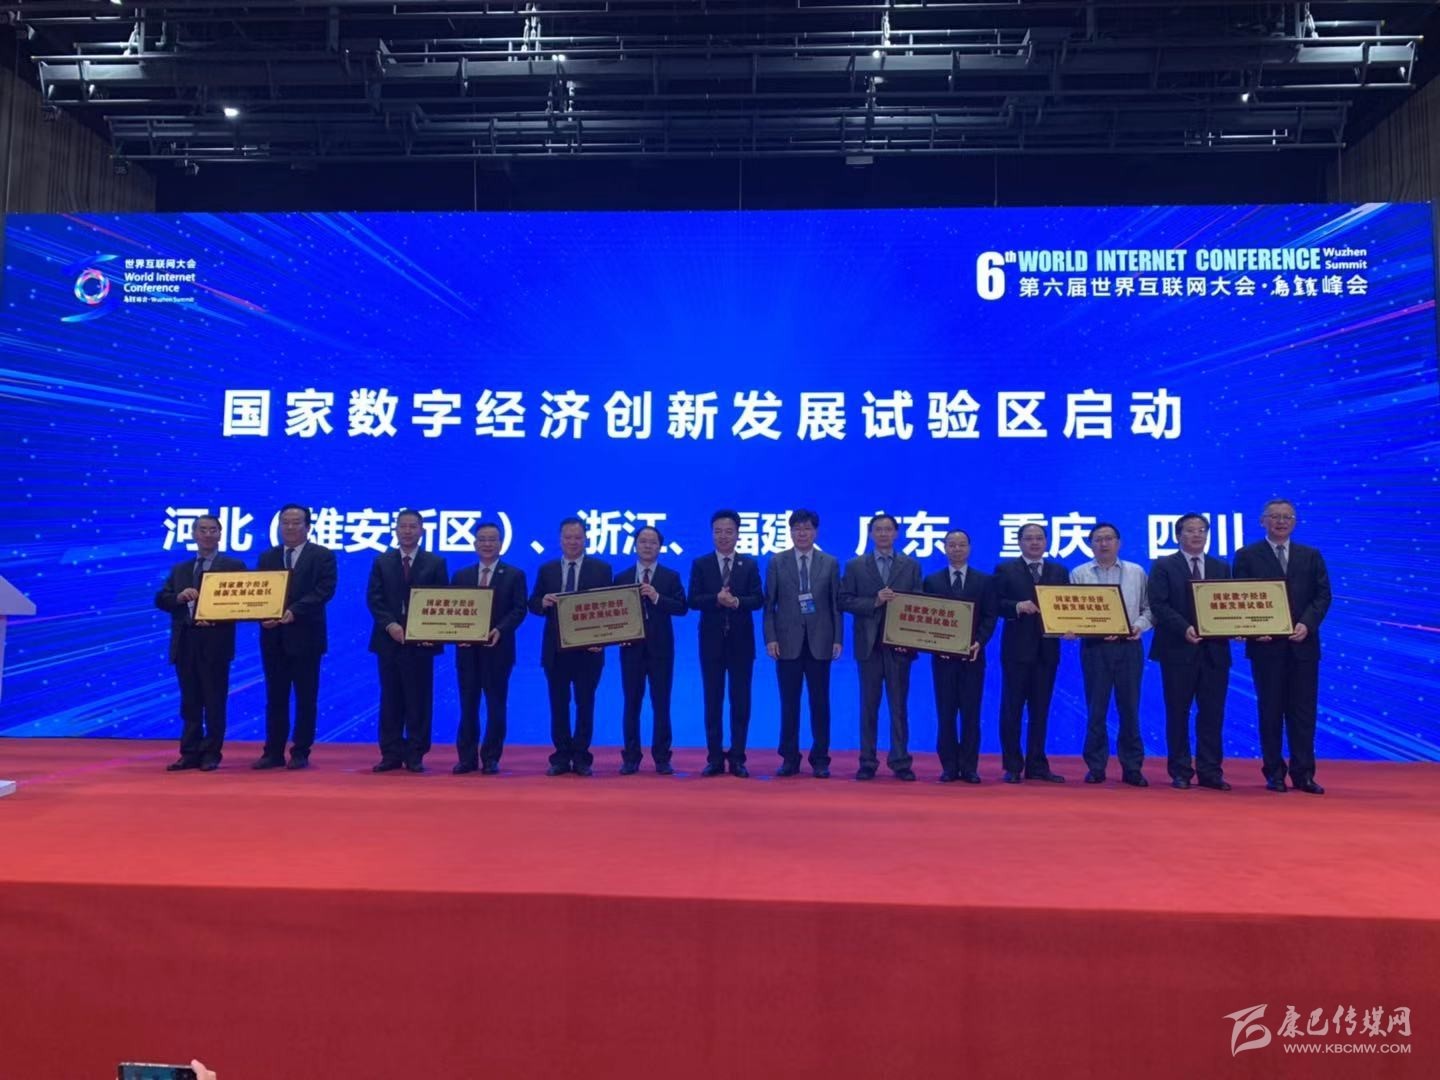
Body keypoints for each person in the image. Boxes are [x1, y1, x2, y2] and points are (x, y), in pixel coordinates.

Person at [1233, 498, 1332, 794]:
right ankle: (1274, 772)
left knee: (1303, 712)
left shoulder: (1310, 555)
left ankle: (1304, 774)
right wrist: (1254, 630)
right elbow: (1240, 596)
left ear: (1295, 522)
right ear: (1262, 521)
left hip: (1303, 646)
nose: (1280, 521)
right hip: (1266, 648)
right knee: (1271, 711)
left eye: (1287, 517)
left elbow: (1323, 596)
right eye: (1274, 516)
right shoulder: (1247, 555)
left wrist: (1307, 624)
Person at [1147, 512, 1235, 791]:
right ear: (1178, 535)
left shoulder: (1221, 567)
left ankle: (1211, 771)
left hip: (1215, 652)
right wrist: (1184, 628)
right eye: (1190, 530)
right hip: (1177, 650)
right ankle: (1180, 770)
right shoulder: (1163, 565)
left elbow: (1229, 605)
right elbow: (1159, 605)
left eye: (1202, 530)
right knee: (1178, 712)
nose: (1197, 535)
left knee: (1212, 714)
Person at [154, 514, 246, 771]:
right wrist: (179, 597)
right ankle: (189, 752)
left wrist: (217, 616)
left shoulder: (233, 566)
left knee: (214, 700)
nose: (207, 534)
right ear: (194, 534)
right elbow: (161, 599)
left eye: (213, 530)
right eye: (202, 530)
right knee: (190, 701)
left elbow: (243, 603)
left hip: (216, 641)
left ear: (220, 534)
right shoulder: (181, 569)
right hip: (186, 642)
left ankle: (211, 753)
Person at [839, 513, 923, 780]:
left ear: (896, 533)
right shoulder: (855, 566)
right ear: (871, 534)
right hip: (869, 645)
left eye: (888, 529)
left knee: (899, 707)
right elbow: (844, 600)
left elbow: (919, 603)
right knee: (869, 706)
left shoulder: (911, 566)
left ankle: (901, 761)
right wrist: (874, 601)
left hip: (900, 646)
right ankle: (867, 761)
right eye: (878, 529)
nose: (884, 534)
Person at [254, 503, 337, 770]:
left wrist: (294, 611)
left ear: (307, 526)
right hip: (273, 637)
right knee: (275, 697)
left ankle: (301, 751)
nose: (290, 527)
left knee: (305, 698)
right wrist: (261, 615)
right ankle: (273, 751)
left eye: (296, 522)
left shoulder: (322, 555)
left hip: (307, 637)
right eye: (285, 522)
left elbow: (324, 590)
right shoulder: (267, 557)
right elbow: (258, 593)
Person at [1068, 522, 1152, 787]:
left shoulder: (1136, 572)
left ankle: (1132, 768)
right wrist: (1074, 628)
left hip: (1129, 646)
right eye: (1098, 539)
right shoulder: (1079, 573)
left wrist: (1138, 626)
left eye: (1109, 538)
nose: (1103, 544)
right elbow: (1071, 612)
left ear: (1119, 542)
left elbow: (1149, 608)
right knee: (1096, 709)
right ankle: (1096, 766)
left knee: (1130, 708)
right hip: (1095, 648)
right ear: (1090, 544)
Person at [528, 516, 613, 776]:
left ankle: (582, 757)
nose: (573, 542)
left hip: (589, 650)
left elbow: (610, 607)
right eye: (568, 537)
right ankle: (561, 757)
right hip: (556, 650)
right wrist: (542, 602)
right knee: (559, 704)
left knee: (585, 704)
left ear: (585, 539)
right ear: (560, 539)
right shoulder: (547, 569)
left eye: (577, 537)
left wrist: (603, 640)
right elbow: (533, 603)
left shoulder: (601, 569)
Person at [366, 509, 448, 773]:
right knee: (391, 698)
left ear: (422, 531)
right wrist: (390, 625)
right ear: (396, 529)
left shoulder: (435, 563)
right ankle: (390, 753)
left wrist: (430, 632)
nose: (408, 531)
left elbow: (441, 600)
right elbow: (374, 599)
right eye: (403, 526)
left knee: (418, 699)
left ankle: (415, 754)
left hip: (421, 643)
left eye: (413, 526)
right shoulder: (382, 561)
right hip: (388, 641)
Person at [763, 509, 843, 777]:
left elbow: (836, 605)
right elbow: (769, 605)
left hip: (821, 641)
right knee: (789, 704)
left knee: (820, 703)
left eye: (807, 528)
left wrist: (838, 638)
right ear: (790, 532)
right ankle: (789, 758)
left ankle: (820, 759)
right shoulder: (777, 561)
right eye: (797, 528)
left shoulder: (830, 563)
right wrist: (771, 638)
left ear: (815, 532)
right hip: (787, 643)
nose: (802, 533)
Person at [688, 510, 764, 777]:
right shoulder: (701, 564)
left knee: (740, 700)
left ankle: (738, 758)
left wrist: (737, 602)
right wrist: (716, 600)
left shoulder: (749, 564)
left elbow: (758, 599)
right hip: (711, 644)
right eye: (718, 531)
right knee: (713, 700)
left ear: (737, 534)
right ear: (712, 534)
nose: (723, 536)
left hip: (742, 644)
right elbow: (693, 599)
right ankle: (714, 758)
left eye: (728, 531)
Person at [993, 522, 1068, 783]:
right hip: (1016, 651)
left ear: (1046, 542)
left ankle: (1037, 764)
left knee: (1040, 710)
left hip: (1047, 651)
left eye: (1039, 538)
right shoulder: (1005, 569)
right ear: (1019, 542)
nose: (1034, 542)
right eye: (1029, 538)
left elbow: (1068, 605)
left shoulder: (1059, 571)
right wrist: (1016, 606)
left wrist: (1071, 626)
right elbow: (994, 604)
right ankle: (1012, 765)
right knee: (1011, 709)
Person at [922, 529, 998, 783]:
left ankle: (969, 767)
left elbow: (990, 616)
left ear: (970, 548)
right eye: (952, 545)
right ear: (945, 548)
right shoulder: (932, 581)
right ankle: (948, 766)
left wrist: (979, 642)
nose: (957, 549)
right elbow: (926, 618)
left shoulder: (984, 581)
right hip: (942, 660)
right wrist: (935, 644)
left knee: (971, 714)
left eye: (962, 544)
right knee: (945, 714)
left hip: (973, 658)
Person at [451, 521, 527, 774]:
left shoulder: (514, 575)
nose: (487, 544)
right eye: (482, 539)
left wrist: (500, 630)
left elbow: (519, 609)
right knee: (468, 706)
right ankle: (466, 758)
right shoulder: (461, 576)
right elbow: (452, 610)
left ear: (501, 543)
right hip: (467, 652)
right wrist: (456, 633)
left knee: (496, 706)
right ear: (475, 544)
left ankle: (491, 757)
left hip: (498, 651)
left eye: (492, 539)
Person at [613, 525, 688, 774]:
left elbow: (682, 607)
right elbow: (613, 615)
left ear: (659, 547)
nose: (647, 546)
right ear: (635, 545)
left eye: (652, 542)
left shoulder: (670, 577)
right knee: (631, 703)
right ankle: (631, 757)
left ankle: (662, 757)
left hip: (661, 651)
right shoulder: (622, 578)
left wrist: (656, 597)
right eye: (643, 541)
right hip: (631, 650)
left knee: (661, 703)